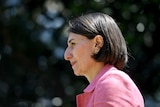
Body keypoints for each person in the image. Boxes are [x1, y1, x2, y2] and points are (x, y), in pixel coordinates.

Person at [64, 12, 144, 107]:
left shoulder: (111, 84)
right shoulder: (104, 85)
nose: (66, 55)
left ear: (97, 43)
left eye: (73, 44)